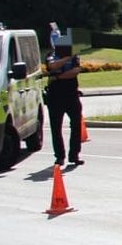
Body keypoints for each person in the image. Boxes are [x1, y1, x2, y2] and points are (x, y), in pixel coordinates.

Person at [44, 25, 85, 168]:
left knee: (76, 125)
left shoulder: (75, 56)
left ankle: (74, 155)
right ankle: (59, 157)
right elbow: (51, 66)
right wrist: (65, 59)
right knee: (56, 128)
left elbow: (75, 71)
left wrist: (59, 77)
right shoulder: (51, 55)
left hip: (71, 95)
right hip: (55, 97)